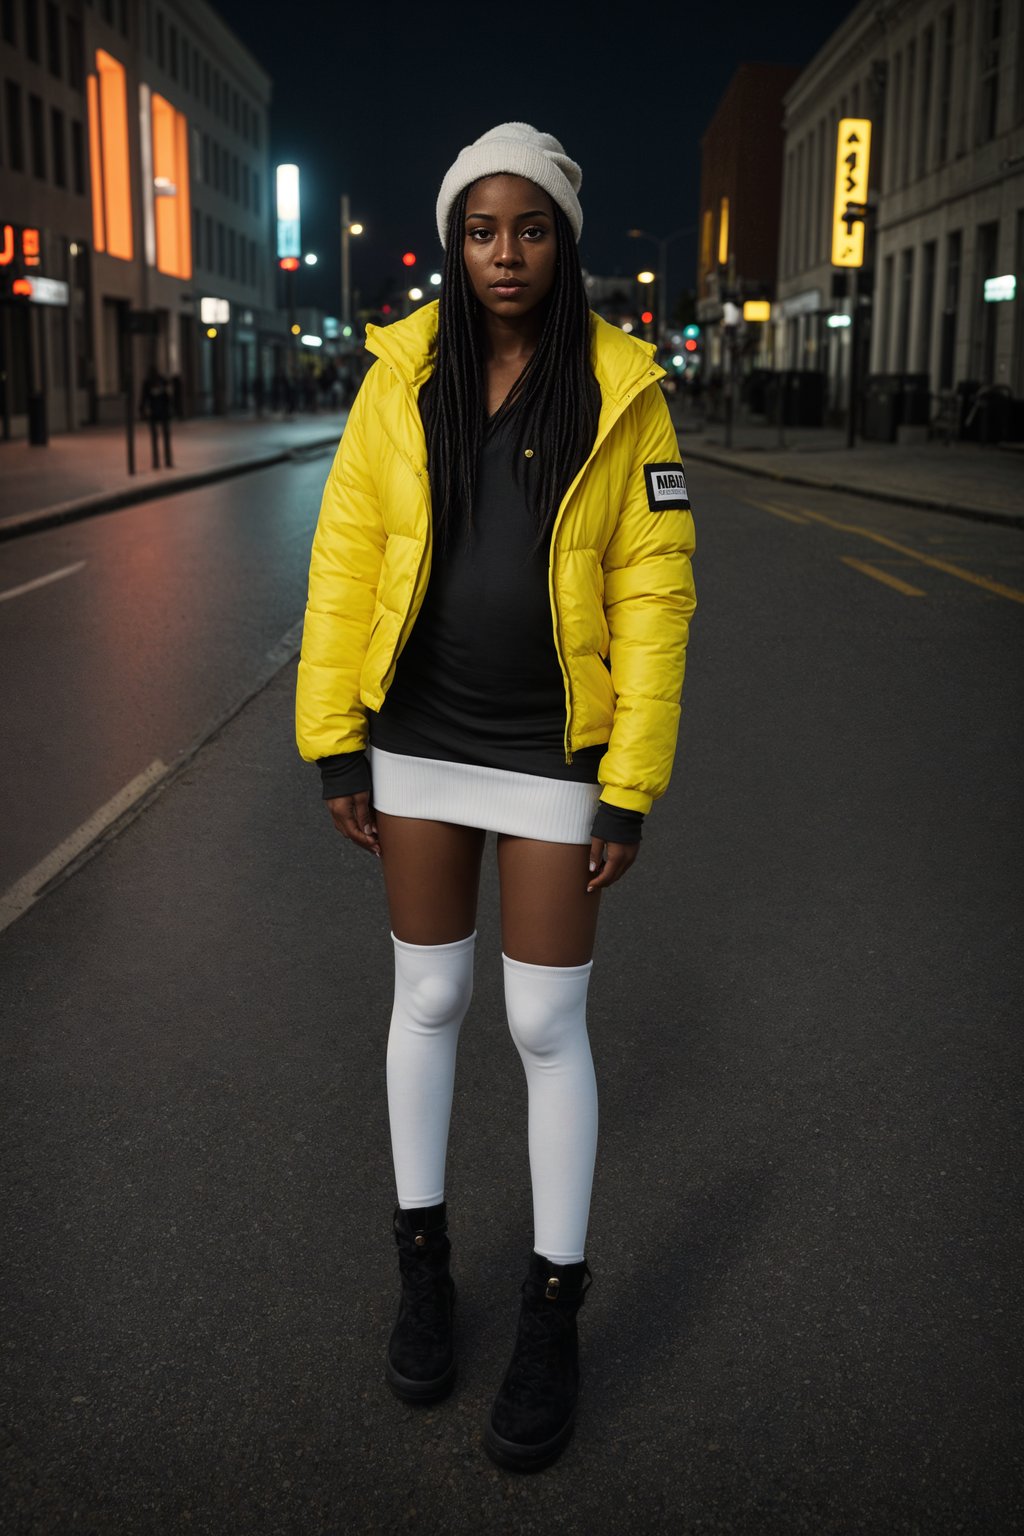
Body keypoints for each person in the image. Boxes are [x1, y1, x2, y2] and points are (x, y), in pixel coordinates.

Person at [296, 122, 697, 1473]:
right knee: (427, 996)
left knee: (542, 1017)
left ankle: (552, 1312)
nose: (503, 254)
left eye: (529, 229)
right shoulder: (403, 374)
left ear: (563, 240)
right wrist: (334, 740)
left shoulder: (626, 386)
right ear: (455, 240)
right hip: (416, 734)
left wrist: (627, 785)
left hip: (551, 750)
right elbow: (346, 553)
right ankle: (425, 1269)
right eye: (480, 229)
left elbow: (655, 596)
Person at [139, 364, 173, 469]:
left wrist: (142, 411)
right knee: (165, 437)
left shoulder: (148, 382)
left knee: (155, 439)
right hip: (162, 412)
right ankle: (167, 461)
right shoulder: (162, 381)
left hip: (154, 412)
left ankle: (157, 462)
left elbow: (143, 398)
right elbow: (168, 396)